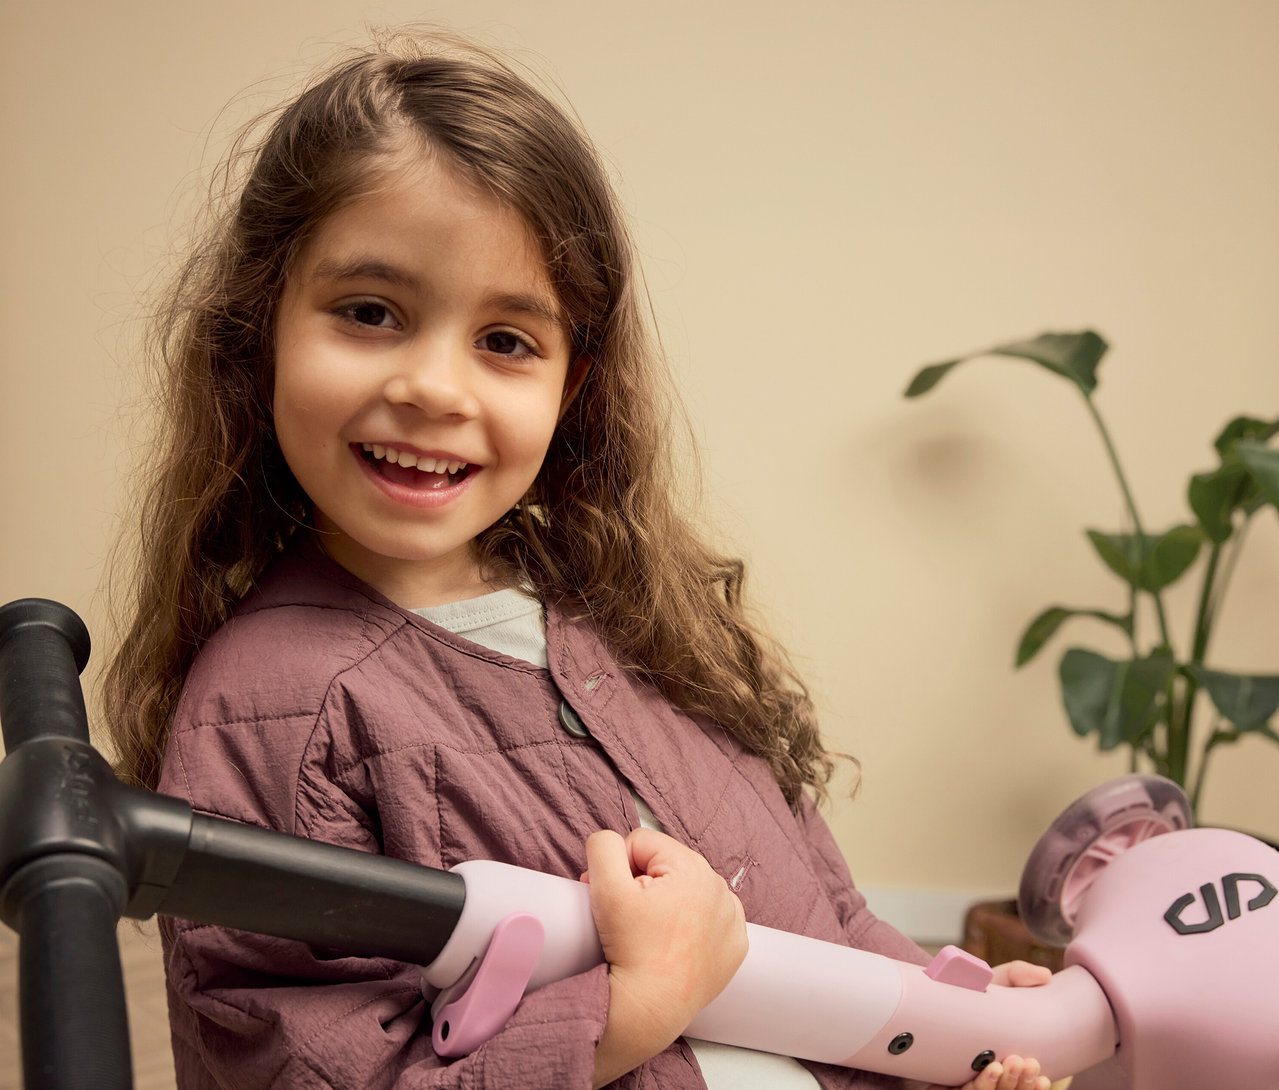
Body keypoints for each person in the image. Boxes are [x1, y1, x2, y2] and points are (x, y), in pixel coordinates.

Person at [102, 28, 1054, 1090]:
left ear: (573, 383)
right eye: (369, 313)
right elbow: (297, 1069)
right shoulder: (271, 706)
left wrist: (946, 1011)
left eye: (506, 340)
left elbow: (819, 913)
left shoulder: (638, 624)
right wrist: (631, 1007)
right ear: (257, 331)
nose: (435, 387)